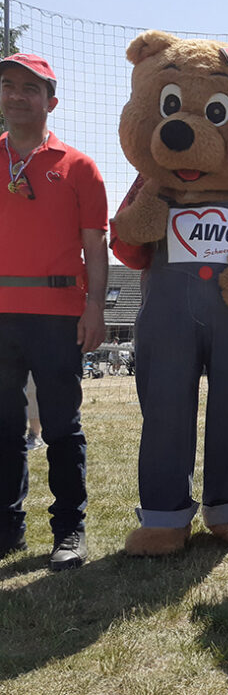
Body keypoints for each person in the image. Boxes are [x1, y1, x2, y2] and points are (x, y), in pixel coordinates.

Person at [0, 54, 108, 570]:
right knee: (2, 425)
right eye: (8, 86)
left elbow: (95, 247)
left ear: (51, 101)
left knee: (62, 426)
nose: (16, 95)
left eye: (29, 88)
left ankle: (69, 531)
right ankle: (6, 528)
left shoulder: (80, 166)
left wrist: (94, 309)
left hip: (58, 313)